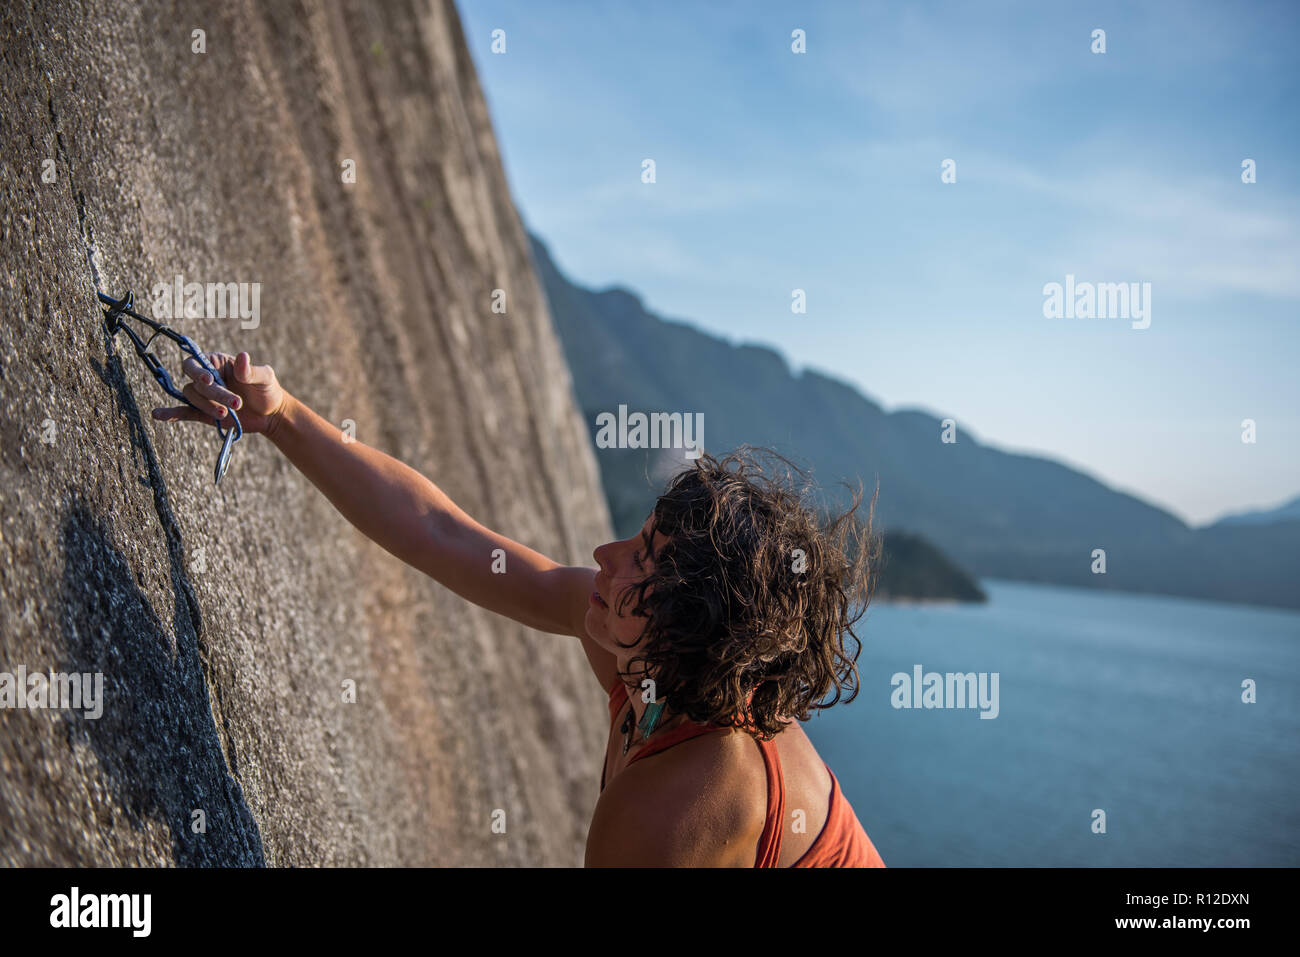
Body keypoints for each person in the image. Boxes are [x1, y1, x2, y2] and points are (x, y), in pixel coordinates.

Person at [154, 352, 887, 867]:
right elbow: (444, 535)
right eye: (640, 535)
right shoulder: (655, 657)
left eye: (644, 560)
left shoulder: (676, 808)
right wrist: (282, 415)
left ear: (686, 629)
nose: (605, 554)